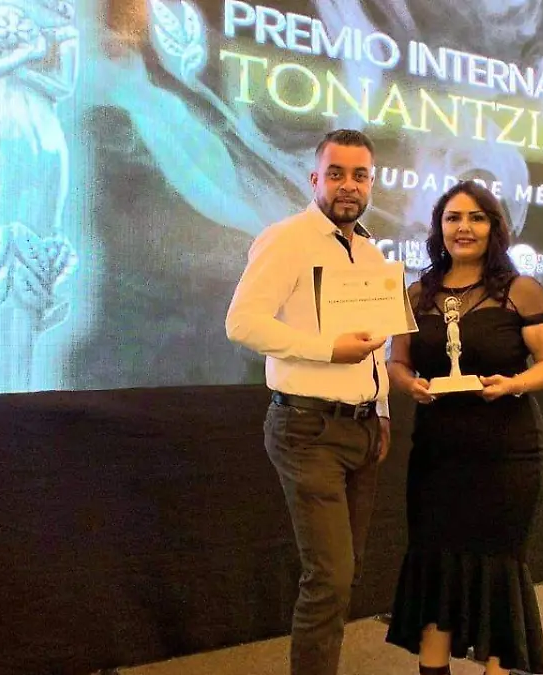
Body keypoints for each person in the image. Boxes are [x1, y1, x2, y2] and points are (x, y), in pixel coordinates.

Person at [384, 181, 543, 675]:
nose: (463, 227)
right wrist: (409, 385)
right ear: (439, 228)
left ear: (494, 228)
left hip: (507, 457)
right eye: (453, 218)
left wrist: (514, 384)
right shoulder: (416, 294)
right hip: (436, 458)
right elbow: (397, 363)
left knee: (497, 569)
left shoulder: (520, 291)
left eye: (476, 217)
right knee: (435, 564)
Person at [226, 128, 393, 675]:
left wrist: (382, 410)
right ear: (315, 178)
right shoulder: (286, 239)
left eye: (360, 175)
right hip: (306, 428)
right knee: (331, 577)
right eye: (337, 174)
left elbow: (376, 341)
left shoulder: (370, 251)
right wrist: (326, 350)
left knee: (344, 573)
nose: (349, 185)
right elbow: (242, 323)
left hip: (361, 428)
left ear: (371, 182)